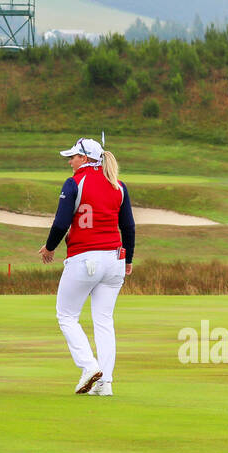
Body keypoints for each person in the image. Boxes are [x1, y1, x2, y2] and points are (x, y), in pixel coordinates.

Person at [38, 137, 135, 396]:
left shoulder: (74, 183)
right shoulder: (118, 185)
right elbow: (128, 227)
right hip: (114, 259)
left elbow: (60, 223)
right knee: (104, 320)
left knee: (66, 315)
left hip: (85, 258)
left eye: (73, 157)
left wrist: (49, 248)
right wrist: (129, 260)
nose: (70, 161)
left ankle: (90, 367)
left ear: (85, 158)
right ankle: (106, 384)